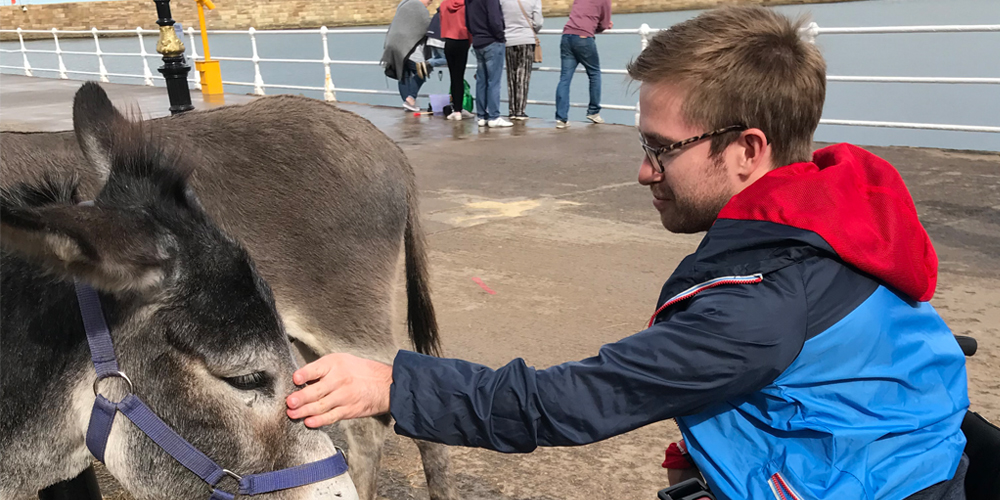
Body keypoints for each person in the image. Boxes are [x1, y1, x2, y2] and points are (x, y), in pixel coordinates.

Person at [286, 7, 970, 500]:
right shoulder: (834, 218)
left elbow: (567, 403)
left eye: (660, 149)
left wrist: (393, 385)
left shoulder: (760, 305)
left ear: (749, 150)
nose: (645, 172)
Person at [554, 0, 610, 129]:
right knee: (594, 74)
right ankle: (593, 111)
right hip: (584, 38)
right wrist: (598, 27)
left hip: (567, 36)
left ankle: (561, 118)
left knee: (564, 78)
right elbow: (604, 24)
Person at [466, 0, 512, 127]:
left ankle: (481, 116)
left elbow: (468, 22)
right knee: (494, 81)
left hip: (478, 42)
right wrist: (501, 37)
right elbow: (494, 19)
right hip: (492, 41)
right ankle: (494, 116)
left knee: (481, 81)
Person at [382, 0, 433, 112]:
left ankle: (408, 104)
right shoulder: (418, 5)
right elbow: (426, 25)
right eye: (429, 2)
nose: (428, 4)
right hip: (407, 45)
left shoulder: (404, 3)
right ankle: (410, 99)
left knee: (403, 74)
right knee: (422, 71)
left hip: (393, 44)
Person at [500, 0, 543, 120]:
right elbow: (538, 22)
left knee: (511, 76)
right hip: (526, 39)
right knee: (523, 76)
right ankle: (520, 111)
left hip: (508, 39)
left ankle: (512, 109)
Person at [440, 0, 476, 120]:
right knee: (460, 76)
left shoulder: (444, 4)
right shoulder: (466, 5)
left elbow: (442, 22)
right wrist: (469, 42)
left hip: (449, 42)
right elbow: (470, 25)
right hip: (462, 40)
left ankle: (456, 110)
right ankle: (459, 109)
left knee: (453, 76)